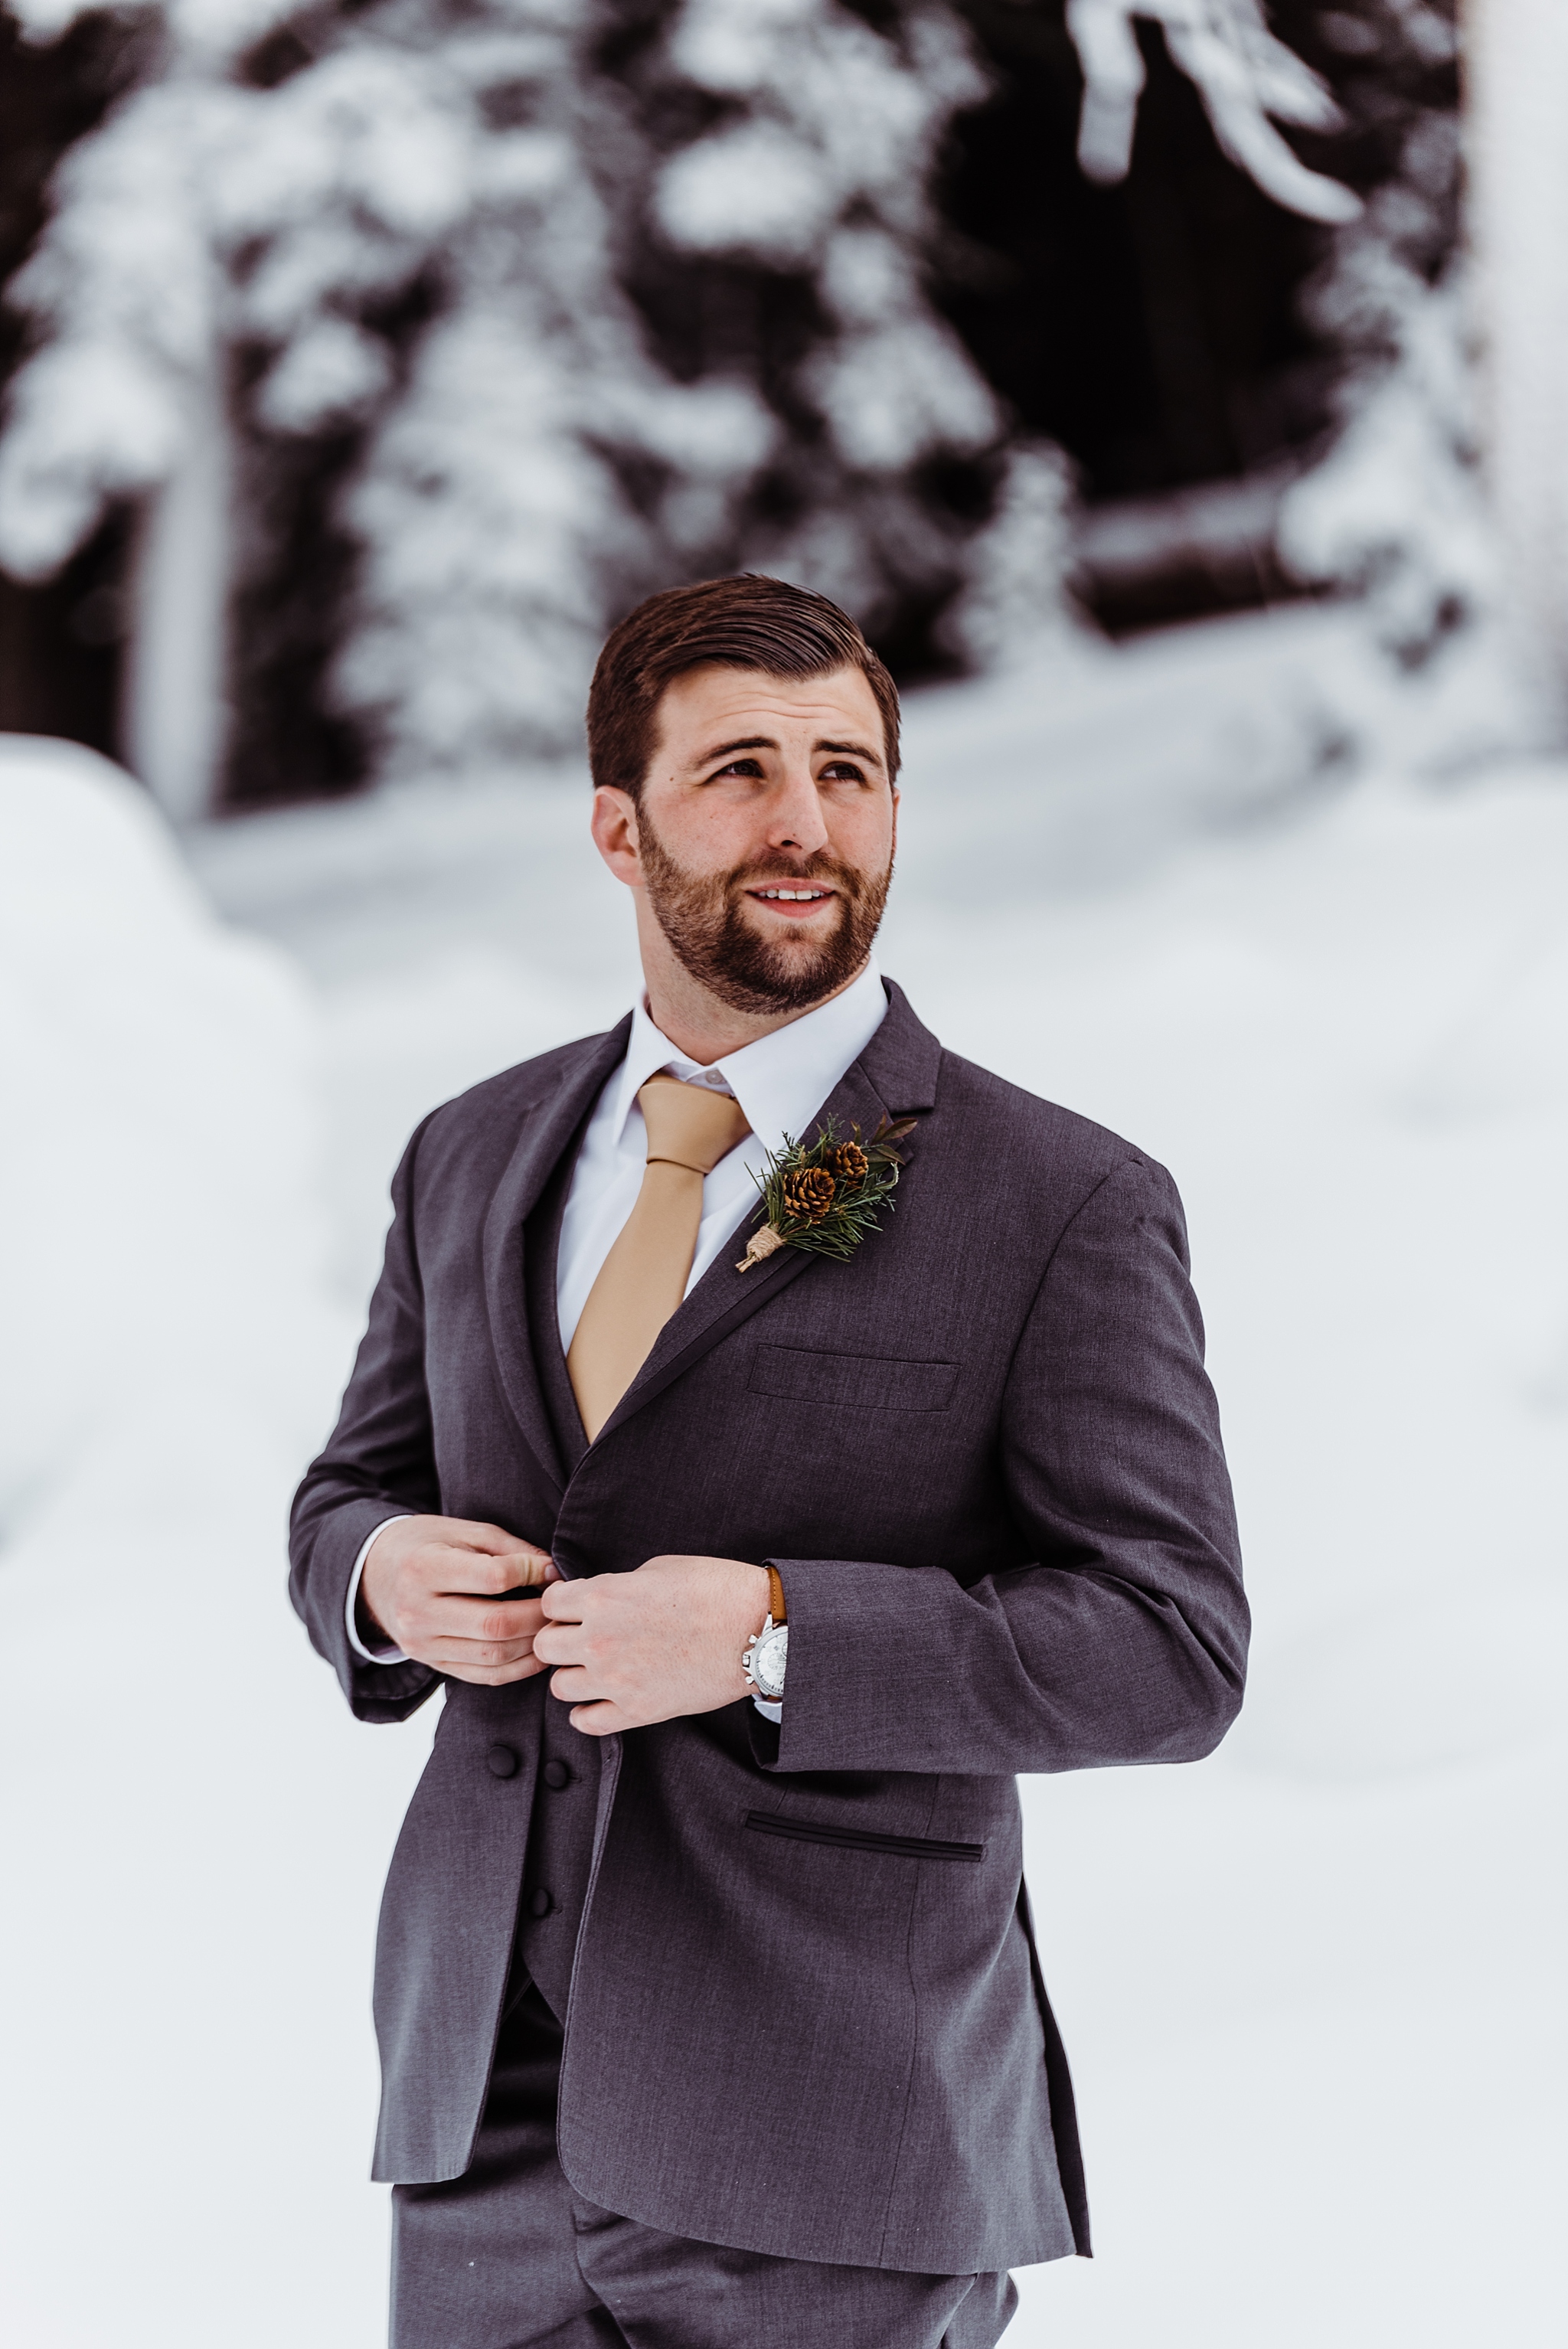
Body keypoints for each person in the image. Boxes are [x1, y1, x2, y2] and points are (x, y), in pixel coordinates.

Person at [289, 573, 1247, 2349]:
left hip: (837, 2127)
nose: (807, 822)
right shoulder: (471, 1152)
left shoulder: (1054, 1200)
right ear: (615, 822)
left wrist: (769, 1637)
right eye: (739, 767)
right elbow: (353, 1483)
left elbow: (1170, 1648)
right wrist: (373, 1574)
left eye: (850, 771)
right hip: (476, 2117)